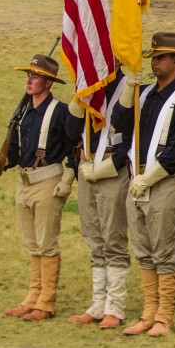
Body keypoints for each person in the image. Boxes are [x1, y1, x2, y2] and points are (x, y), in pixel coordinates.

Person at [111, 32, 175, 336]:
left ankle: (164, 315)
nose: (155, 62)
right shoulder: (145, 93)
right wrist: (129, 90)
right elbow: (119, 124)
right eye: (153, 57)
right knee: (142, 249)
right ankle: (149, 310)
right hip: (137, 178)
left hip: (164, 181)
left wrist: (149, 178)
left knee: (163, 250)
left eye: (161, 57)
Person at [0, 54, 79, 321]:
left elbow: (74, 145)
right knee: (33, 244)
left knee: (46, 244)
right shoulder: (23, 112)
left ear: (48, 83)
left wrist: (67, 178)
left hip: (48, 180)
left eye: (35, 76)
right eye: (29, 75)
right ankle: (32, 296)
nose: (29, 80)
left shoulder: (59, 111)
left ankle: (46, 302)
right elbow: (14, 150)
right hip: (24, 182)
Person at [67, 72, 132, 329]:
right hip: (86, 167)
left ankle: (115, 306)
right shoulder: (89, 87)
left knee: (113, 239)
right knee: (94, 239)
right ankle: (98, 302)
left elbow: (130, 132)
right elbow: (71, 130)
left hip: (112, 170)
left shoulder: (129, 88)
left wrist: (110, 166)